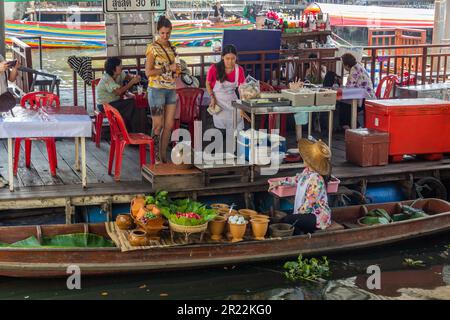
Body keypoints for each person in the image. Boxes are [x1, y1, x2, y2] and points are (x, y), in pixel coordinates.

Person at [145, 15, 179, 163]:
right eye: (162, 33)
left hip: (171, 89)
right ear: (158, 32)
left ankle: (163, 156)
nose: (165, 36)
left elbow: (172, 69)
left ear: (171, 32)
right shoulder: (152, 48)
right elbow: (148, 72)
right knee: (157, 125)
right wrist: (167, 67)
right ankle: (155, 157)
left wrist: (177, 70)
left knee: (169, 125)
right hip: (156, 90)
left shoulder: (172, 47)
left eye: (168, 33)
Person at [282, 139, 332, 235]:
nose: (303, 158)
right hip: (308, 213)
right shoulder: (307, 171)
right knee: (289, 219)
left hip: (318, 218)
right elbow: (297, 179)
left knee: (289, 219)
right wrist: (279, 183)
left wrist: (293, 216)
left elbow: (308, 204)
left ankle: (298, 238)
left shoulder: (317, 180)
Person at [206, 44, 247, 154]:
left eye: (233, 58)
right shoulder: (214, 68)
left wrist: (242, 106)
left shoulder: (239, 70)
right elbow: (208, 83)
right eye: (227, 58)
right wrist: (212, 98)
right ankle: (216, 154)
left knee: (237, 128)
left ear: (236, 58)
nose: (230, 61)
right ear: (222, 57)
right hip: (218, 101)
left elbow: (242, 89)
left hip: (232, 101)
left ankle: (235, 153)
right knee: (220, 130)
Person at [96, 57, 144, 133]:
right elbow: (118, 92)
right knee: (132, 104)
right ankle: (133, 133)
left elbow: (127, 76)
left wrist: (133, 77)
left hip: (115, 102)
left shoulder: (119, 73)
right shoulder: (106, 78)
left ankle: (131, 132)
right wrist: (132, 82)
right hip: (104, 105)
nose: (122, 67)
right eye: (119, 65)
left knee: (134, 104)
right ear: (113, 68)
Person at [338, 52, 375, 130]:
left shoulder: (354, 70)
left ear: (347, 65)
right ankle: (351, 127)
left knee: (343, 106)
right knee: (345, 106)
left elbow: (349, 88)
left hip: (364, 99)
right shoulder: (359, 66)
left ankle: (354, 127)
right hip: (368, 96)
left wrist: (339, 87)